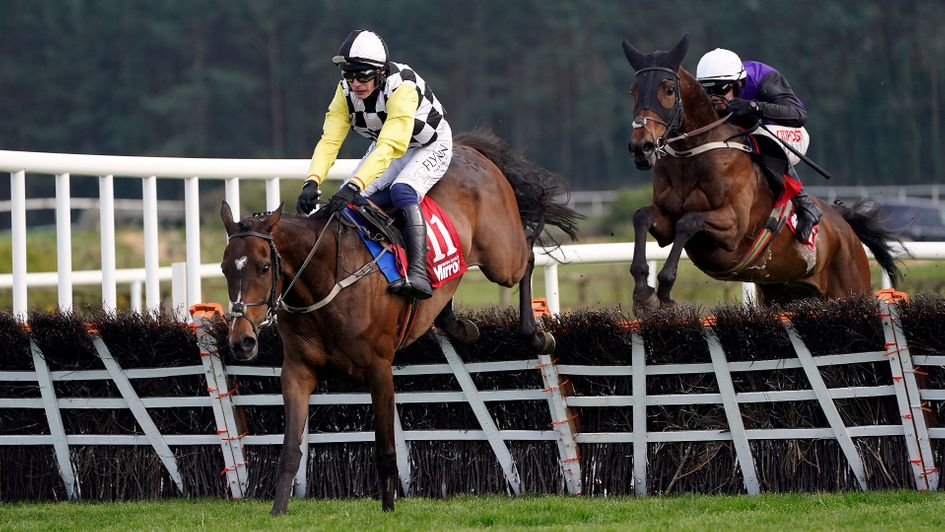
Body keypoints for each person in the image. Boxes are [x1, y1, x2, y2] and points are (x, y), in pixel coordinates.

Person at [296, 29, 452, 300]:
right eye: (349, 74)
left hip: (429, 145)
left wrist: (356, 185)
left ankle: (418, 273)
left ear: (380, 72)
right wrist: (312, 180)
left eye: (363, 75)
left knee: (402, 190)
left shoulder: (402, 86)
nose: (355, 83)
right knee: (348, 201)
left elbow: (390, 145)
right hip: (391, 147)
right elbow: (330, 140)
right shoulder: (345, 91)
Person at [696, 48, 822, 243]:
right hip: (748, 138)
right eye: (707, 90)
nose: (713, 97)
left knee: (756, 136)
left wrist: (753, 106)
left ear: (739, 82)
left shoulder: (763, 79)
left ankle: (805, 205)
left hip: (790, 136)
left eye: (720, 90)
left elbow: (798, 115)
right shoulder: (718, 94)